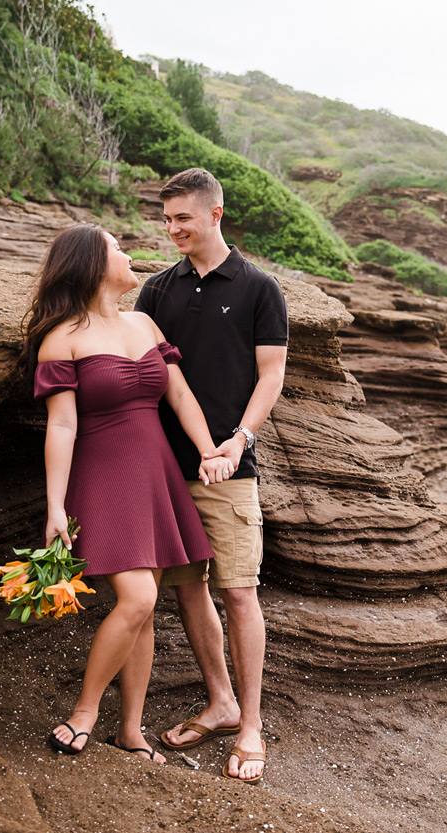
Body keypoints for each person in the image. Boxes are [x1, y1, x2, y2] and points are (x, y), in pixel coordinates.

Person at [20, 223, 235, 764]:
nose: (129, 253)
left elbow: (180, 395)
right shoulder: (62, 337)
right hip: (104, 474)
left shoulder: (144, 323)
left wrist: (210, 451)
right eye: (118, 248)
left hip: (156, 472)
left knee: (143, 607)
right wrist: (55, 506)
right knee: (137, 598)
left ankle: (131, 731)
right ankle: (86, 712)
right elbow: (62, 427)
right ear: (92, 264)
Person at [135, 168, 288, 784]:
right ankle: (220, 702)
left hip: (232, 469)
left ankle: (249, 724)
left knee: (239, 590)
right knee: (187, 588)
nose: (172, 229)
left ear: (215, 215)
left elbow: (271, 375)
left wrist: (238, 440)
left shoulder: (258, 288)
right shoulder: (156, 290)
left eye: (183, 219)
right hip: (166, 467)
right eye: (167, 219)